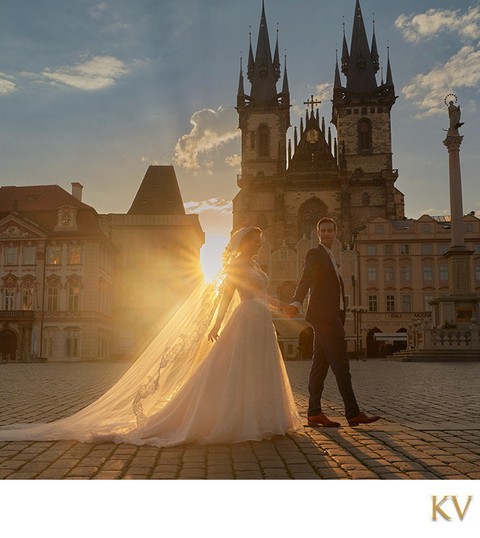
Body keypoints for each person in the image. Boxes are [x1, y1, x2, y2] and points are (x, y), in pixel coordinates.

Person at [0, 227, 302, 447]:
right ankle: (238, 418)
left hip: (262, 320)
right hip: (245, 319)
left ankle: (265, 418)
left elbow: (264, 295)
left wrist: (283, 306)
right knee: (237, 369)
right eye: (257, 241)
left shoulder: (255, 266)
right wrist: (216, 324)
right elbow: (225, 298)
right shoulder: (235, 266)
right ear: (245, 243)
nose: (261, 246)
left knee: (262, 370)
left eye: (262, 242)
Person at [284, 217, 380, 428]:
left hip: (331, 316)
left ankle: (314, 412)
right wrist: (296, 302)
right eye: (323, 231)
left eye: (330, 230)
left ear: (335, 233)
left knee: (319, 367)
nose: (326, 234)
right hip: (325, 317)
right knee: (341, 365)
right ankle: (353, 413)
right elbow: (306, 279)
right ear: (318, 233)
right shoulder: (315, 254)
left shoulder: (332, 257)